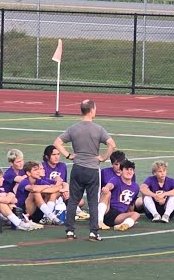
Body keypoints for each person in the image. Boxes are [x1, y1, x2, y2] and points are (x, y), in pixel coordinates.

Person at [53, 99, 116, 242]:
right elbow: (112, 144)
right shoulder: (98, 129)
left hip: (78, 168)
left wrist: (69, 155)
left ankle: (70, 231)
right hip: (92, 169)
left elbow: (57, 142)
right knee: (93, 202)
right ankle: (93, 232)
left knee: (73, 201)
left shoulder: (74, 128)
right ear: (92, 110)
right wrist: (103, 158)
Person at [0, 166, 37, 231]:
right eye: (0, 177)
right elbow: (6, 200)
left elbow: (15, 200)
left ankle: (24, 221)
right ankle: (19, 223)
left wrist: (9, 195)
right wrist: (10, 194)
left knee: (10, 204)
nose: (3, 179)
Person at [42, 144, 89, 221]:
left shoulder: (62, 166)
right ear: (47, 156)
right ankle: (76, 211)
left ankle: (69, 209)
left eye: (58, 154)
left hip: (60, 191)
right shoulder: (42, 166)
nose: (56, 157)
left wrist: (65, 190)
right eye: (53, 155)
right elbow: (43, 183)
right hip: (48, 193)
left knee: (81, 202)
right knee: (63, 195)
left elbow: (64, 181)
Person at [14, 161, 63, 226]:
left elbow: (57, 188)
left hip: (38, 212)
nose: (38, 172)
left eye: (38, 169)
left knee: (53, 193)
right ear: (28, 173)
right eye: (35, 170)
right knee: (35, 193)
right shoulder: (24, 181)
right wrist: (46, 187)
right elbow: (33, 189)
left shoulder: (39, 181)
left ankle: (46, 217)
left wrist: (46, 189)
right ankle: (51, 216)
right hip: (25, 213)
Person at [98, 159, 141, 231]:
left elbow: (131, 204)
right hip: (108, 211)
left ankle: (122, 226)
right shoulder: (116, 179)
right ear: (120, 171)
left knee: (136, 214)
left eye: (131, 170)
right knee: (107, 193)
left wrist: (130, 216)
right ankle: (99, 221)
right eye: (126, 169)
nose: (129, 172)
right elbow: (110, 185)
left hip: (119, 215)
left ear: (133, 172)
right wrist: (106, 188)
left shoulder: (136, 187)